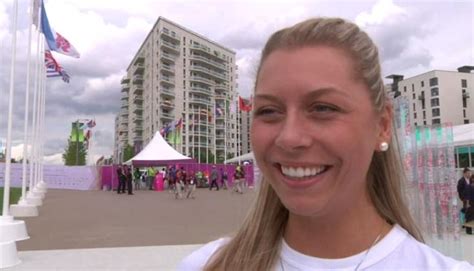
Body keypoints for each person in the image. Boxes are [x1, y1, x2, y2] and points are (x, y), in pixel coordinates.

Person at [178, 17, 473, 270]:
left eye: (323, 108)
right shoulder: (207, 266)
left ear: (382, 125)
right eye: (269, 111)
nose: (290, 137)